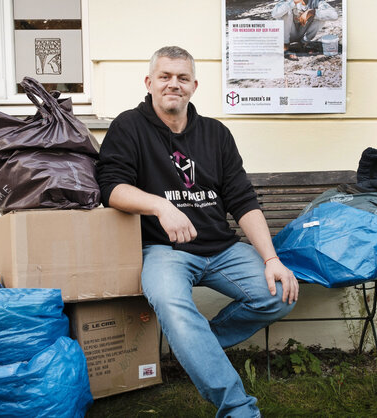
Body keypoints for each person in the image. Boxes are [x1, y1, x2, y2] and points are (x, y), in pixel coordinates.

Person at [96, 46, 299, 418]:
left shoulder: (216, 134)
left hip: (221, 249)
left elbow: (243, 200)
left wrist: (271, 259)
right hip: (164, 250)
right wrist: (160, 205)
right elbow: (111, 189)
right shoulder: (128, 126)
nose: (174, 84)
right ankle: (237, 408)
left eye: (182, 78)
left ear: (194, 85)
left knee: (280, 294)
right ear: (150, 82)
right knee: (172, 305)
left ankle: (198, 344)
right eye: (165, 76)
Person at [272, 0, 339, 60]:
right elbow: (274, 14)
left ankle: (304, 43)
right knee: (286, 12)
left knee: (321, 16)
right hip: (288, 33)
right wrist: (294, 2)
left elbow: (334, 15)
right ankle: (285, 47)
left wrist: (313, 12)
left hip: (303, 32)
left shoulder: (316, 2)